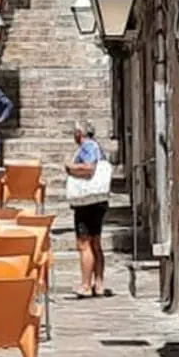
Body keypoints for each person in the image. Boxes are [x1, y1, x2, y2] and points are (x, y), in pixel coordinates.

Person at [65, 122, 109, 297]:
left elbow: (89, 167)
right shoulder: (97, 146)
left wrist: (70, 167)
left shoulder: (88, 147)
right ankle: (98, 284)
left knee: (84, 244)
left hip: (87, 201)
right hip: (98, 200)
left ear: (79, 133)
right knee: (96, 242)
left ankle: (85, 285)